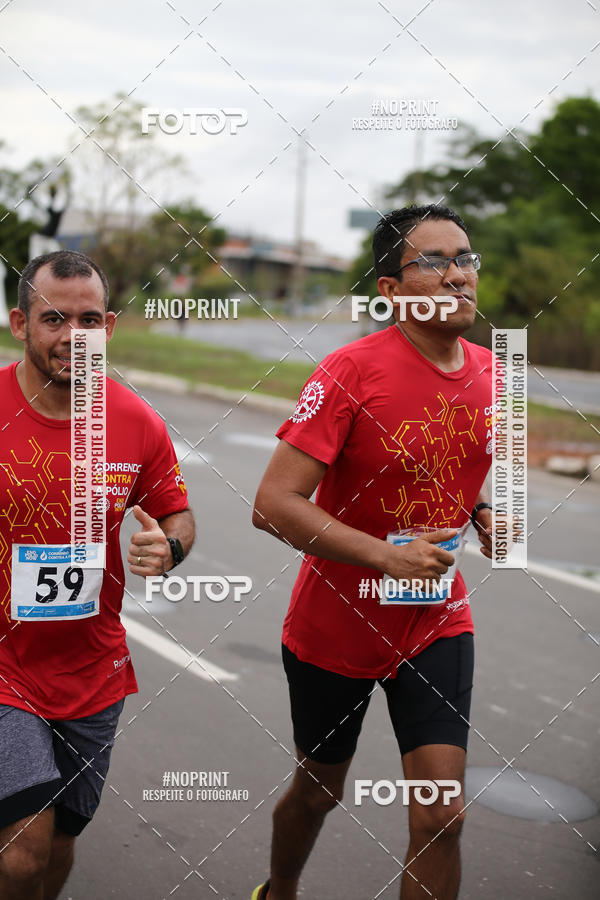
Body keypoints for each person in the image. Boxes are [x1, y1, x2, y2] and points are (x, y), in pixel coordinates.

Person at [251, 205, 495, 900]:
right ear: (390, 289)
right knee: (318, 793)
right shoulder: (349, 372)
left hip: (433, 620)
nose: (457, 275)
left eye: (466, 258)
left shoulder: (494, 374)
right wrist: (386, 558)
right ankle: (279, 889)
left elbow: (458, 467)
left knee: (443, 816)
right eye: (434, 262)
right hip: (337, 627)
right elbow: (273, 504)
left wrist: (484, 512)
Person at [0, 250, 195, 900]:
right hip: (4, 669)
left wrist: (168, 547)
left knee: (59, 843)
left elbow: (176, 513)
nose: (72, 336)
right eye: (54, 319)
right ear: (20, 324)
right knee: (24, 852)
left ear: (108, 327)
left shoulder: (136, 421)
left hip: (91, 671)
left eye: (88, 320)